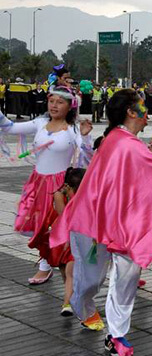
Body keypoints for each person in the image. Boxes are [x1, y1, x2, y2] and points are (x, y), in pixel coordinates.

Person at [50, 89, 152, 356]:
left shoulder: (128, 143)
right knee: (91, 280)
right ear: (130, 111)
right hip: (91, 221)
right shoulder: (121, 142)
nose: (145, 110)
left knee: (127, 275)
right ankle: (84, 307)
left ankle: (115, 335)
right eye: (140, 105)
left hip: (123, 224)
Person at [0, 86, 93, 286]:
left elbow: (87, 156)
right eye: (52, 101)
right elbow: (10, 127)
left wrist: (85, 136)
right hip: (38, 182)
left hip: (60, 186)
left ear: (70, 106)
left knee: (59, 227)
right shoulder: (40, 123)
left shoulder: (74, 129)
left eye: (60, 102)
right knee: (39, 225)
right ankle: (45, 266)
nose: (54, 105)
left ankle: (70, 268)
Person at [50, 167, 86, 316]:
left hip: (76, 240)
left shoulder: (85, 196)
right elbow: (64, 217)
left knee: (71, 272)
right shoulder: (59, 195)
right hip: (63, 236)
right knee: (66, 272)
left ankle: (68, 303)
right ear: (67, 187)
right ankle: (70, 299)